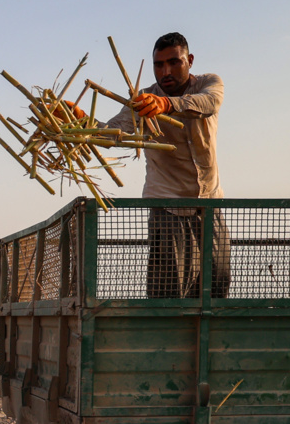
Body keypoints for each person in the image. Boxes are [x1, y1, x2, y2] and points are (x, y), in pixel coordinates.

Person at [84, 32, 230, 298]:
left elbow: (209, 103)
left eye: (174, 62)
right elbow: (111, 133)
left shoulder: (208, 84)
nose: (166, 71)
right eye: (159, 64)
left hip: (210, 205)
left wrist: (166, 104)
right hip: (167, 207)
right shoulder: (143, 100)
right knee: (168, 294)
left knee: (215, 290)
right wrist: (81, 121)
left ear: (190, 61)